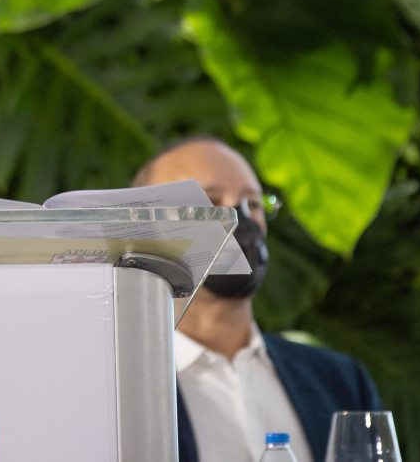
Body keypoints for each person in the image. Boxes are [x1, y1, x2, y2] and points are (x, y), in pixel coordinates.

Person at [133, 136, 382, 462]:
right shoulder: (121, 390)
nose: (238, 218)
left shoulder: (341, 381)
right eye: (210, 203)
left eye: (252, 203)